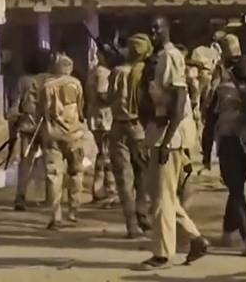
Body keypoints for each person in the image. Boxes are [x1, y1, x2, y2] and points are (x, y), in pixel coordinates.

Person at [138, 16, 209, 271]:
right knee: (163, 195)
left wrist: (167, 142)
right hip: (161, 132)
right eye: (151, 29)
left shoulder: (170, 57)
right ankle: (196, 239)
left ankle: (163, 254)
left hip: (170, 136)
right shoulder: (159, 59)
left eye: (157, 28)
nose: (153, 33)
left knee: (162, 200)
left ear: (167, 30)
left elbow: (179, 100)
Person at [202, 33, 246, 256]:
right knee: (236, 186)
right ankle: (228, 232)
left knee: (235, 189)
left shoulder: (221, 87)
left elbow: (210, 120)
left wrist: (206, 151)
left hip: (229, 140)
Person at [107, 33, 153, 237]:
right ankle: (143, 213)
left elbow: (109, 97)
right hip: (140, 127)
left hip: (118, 126)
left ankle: (131, 225)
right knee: (143, 173)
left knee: (124, 178)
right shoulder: (145, 71)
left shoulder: (117, 72)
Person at [40, 54, 86, 230]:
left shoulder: (47, 86)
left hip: (53, 134)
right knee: (76, 172)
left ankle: (55, 216)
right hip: (75, 134)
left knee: (54, 175)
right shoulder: (76, 84)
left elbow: (42, 111)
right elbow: (81, 109)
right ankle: (73, 211)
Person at [8, 48, 53, 211]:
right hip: (48, 127)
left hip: (27, 126)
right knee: (50, 161)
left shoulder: (23, 81)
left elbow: (14, 108)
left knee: (25, 162)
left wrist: (14, 125)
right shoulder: (52, 80)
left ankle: (20, 197)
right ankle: (51, 197)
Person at [86, 48, 118, 204]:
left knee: (102, 154)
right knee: (107, 155)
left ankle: (98, 189)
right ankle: (110, 190)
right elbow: (103, 95)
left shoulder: (93, 71)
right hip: (104, 119)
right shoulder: (104, 73)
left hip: (96, 117)